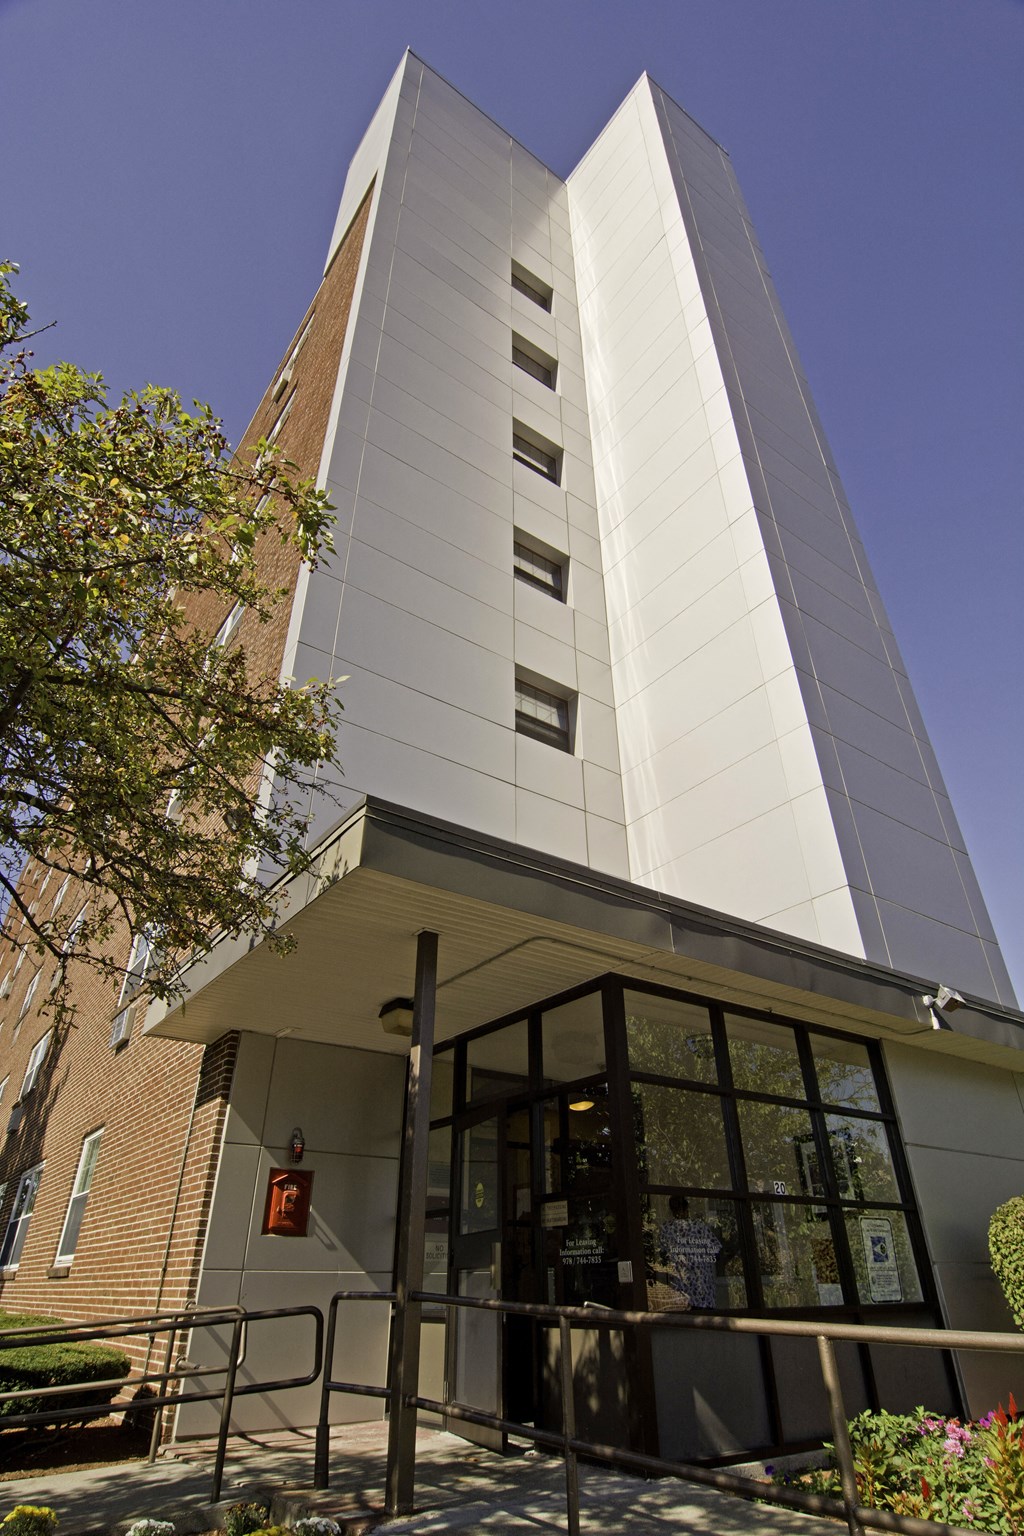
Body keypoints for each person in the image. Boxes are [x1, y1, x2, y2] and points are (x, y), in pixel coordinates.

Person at [658, 1195, 722, 1309]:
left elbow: (662, 1256)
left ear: (671, 1210)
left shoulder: (665, 1229)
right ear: (687, 1209)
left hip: (680, 1293)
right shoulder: (699, 1226)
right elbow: (717, 1252)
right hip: (703, 1290)